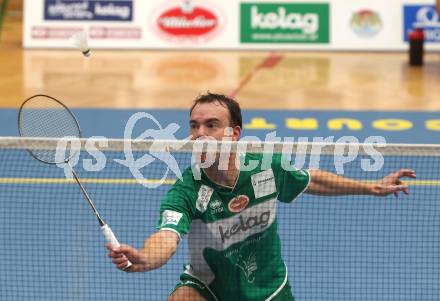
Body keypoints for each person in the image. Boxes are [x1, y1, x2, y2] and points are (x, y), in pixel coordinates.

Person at [107, 93, 416, 301]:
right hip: (207, 285)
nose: (199, 133)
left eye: (211, 125)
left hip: (269, 288)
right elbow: (167, 236)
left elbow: (311, 180)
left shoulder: (265, 168)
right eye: (194, 125)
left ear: (234, 134)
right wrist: (146, 258)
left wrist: (370, 187)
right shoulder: (189, 190)